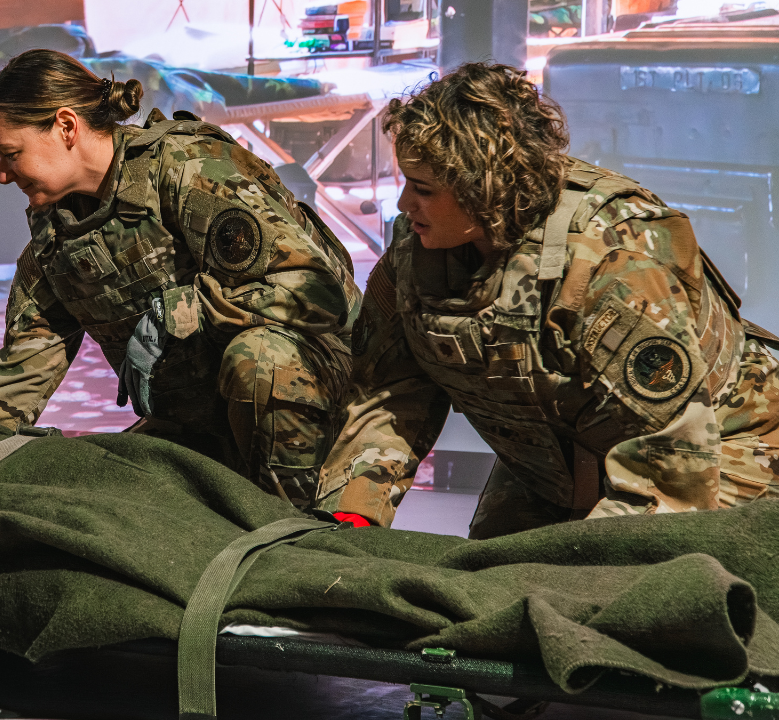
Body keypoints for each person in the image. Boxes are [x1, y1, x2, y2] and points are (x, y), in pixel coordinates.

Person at [319, 62, 779, 538]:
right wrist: (355, 513)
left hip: (717, 450)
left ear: (483, 188)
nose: (402, 205)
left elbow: (670, 457)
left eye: (423, 189)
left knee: (605, 594)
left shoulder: (609, 259)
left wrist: (578, 565)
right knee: (491, 583)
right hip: (563, 456)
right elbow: (391, 392)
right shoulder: (417, 254)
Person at [0, 49, 362, 509]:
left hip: (304, 392)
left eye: (10, 154)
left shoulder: (188, 167)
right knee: (102, 501)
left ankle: (292, 533)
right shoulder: (56, 235)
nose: (2, 175)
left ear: (66, 126)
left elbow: (312, 288)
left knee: (260, 359)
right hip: (198, 417)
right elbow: (21, 371)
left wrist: (186, 311)